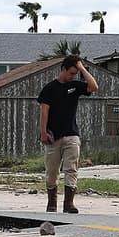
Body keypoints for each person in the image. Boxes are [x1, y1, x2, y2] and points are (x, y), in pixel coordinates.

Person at [37, 54, 99, 213]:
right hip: (53, 136)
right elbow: (44, 112)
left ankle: (69, 203)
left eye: (75, 74)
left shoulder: (76, 86)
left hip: (71, 134)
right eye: (71, 73)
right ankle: (52, 202)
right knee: (52, 171)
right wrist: (43, 132)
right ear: (63, 69)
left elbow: (93, 87)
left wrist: (82, 68)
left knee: (71, 168)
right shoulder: (50, 88)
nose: (73, 76)